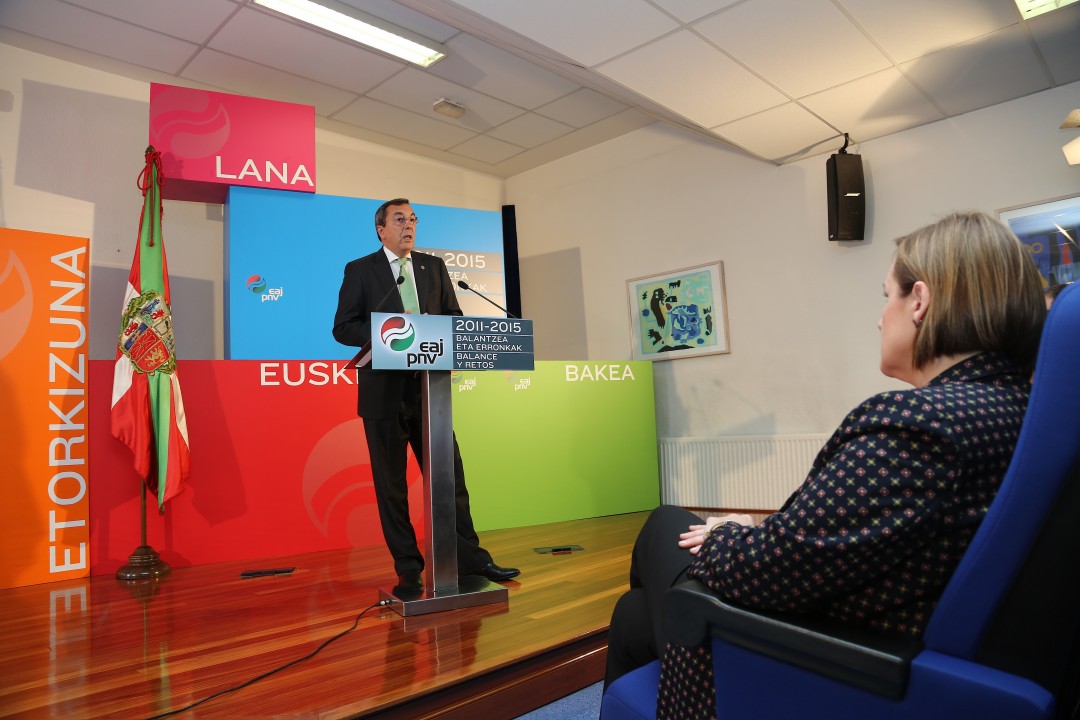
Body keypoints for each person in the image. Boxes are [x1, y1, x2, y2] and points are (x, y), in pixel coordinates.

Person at [604, 211, 1047, 717]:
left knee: (663, 524)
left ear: (919, 302)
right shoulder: (1022, 412)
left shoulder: (922, 426)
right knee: (635, 615)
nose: (880, 318)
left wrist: (728, 534)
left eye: (887, 296)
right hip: (909, 633)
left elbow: (770, 571)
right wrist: (756, 528)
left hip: (820, 661)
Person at [332, 198, 520, 589]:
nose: (409, 225)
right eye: (399, 219)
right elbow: (343, 327)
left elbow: (453, 318)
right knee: (392, 487)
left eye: (413, 219)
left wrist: (445, 335)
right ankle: (408, 567)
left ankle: (469, 560)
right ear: (381, 229)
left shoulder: (432, 267)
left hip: (430, 392)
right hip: (383, 394)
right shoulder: (360, 270)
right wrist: (384, 333)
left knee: (450, 479)